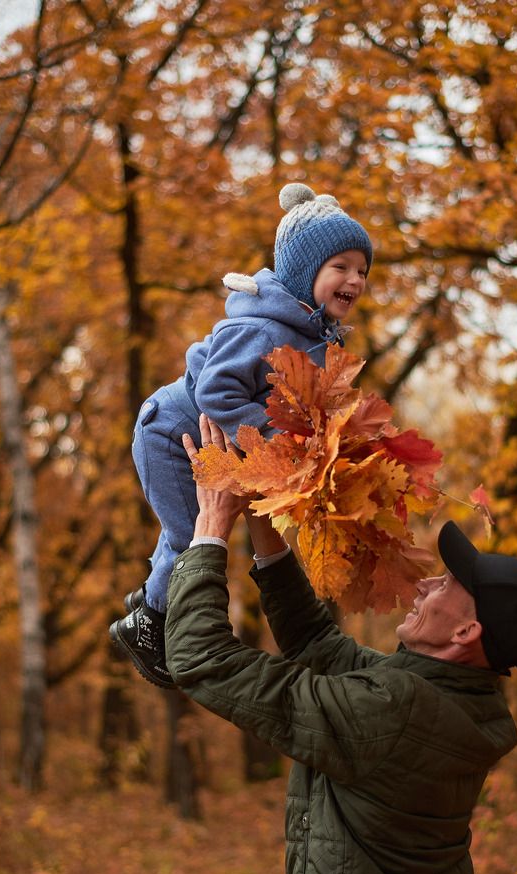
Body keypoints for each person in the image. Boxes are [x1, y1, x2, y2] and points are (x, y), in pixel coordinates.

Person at [163, 414, 517, 874]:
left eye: (446, 586)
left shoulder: (396, 713)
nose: (424, 585)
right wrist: (264, 516)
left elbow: (201, 658)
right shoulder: (448, 704)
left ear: (466, 632)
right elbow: (318, 647)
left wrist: (210, 530)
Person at [109, 183, 373, 689]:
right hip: (172, 434)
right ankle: (148, 623)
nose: (354, 280)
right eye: (340, 266)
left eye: (362, 270)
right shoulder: (262, 328)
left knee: (184, 533)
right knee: (190, 539)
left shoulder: (314, 337)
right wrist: (274, 441)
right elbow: (216, 391)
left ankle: (147, 606)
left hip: (203, 442)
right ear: (304, 271)